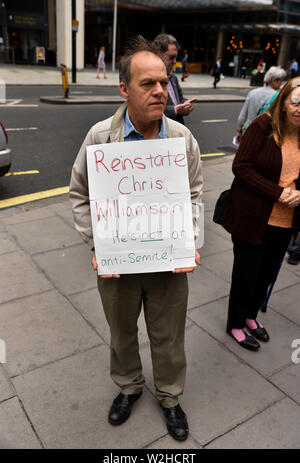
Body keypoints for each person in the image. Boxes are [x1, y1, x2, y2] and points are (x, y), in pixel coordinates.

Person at [70, 36, 203, 441]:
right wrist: (98, 244)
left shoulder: (181, 139)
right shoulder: (99, 137)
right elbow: (80, 194)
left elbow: (194, 193)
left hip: (168, 262)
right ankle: (128, 387)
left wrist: (191, 241)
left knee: (169, 335)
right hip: (119, 264)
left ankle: (169, 396)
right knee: (122, 332)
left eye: (164, 82)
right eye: (148, 84)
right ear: (124, 89)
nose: (161, 91)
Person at [220, 77, 300, 352]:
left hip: (285, 222)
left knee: (266, 275)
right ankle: (234, 323)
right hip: (254, 219)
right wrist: (277, 192)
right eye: (296, 100)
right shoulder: (264, 125)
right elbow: (240, 167)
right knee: (246, 274)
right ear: (284, 101)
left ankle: (250, 317)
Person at [236, 66, 286, 142]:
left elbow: (242, 116)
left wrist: (239, 131)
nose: (281, 83)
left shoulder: (252, 93)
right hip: (263, 134)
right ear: (274, 80)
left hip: (247, 131)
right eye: (280, 81)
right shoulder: (278, 97)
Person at [154, 33, 195, 124]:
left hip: (177, 131)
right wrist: (175, 110)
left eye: (176, 57)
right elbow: (149, 110)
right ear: (158, 54)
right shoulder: (150, 79)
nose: (174, 61)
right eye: (171, 57)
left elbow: (179, 99)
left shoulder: (173, 78)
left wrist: (185, 104)